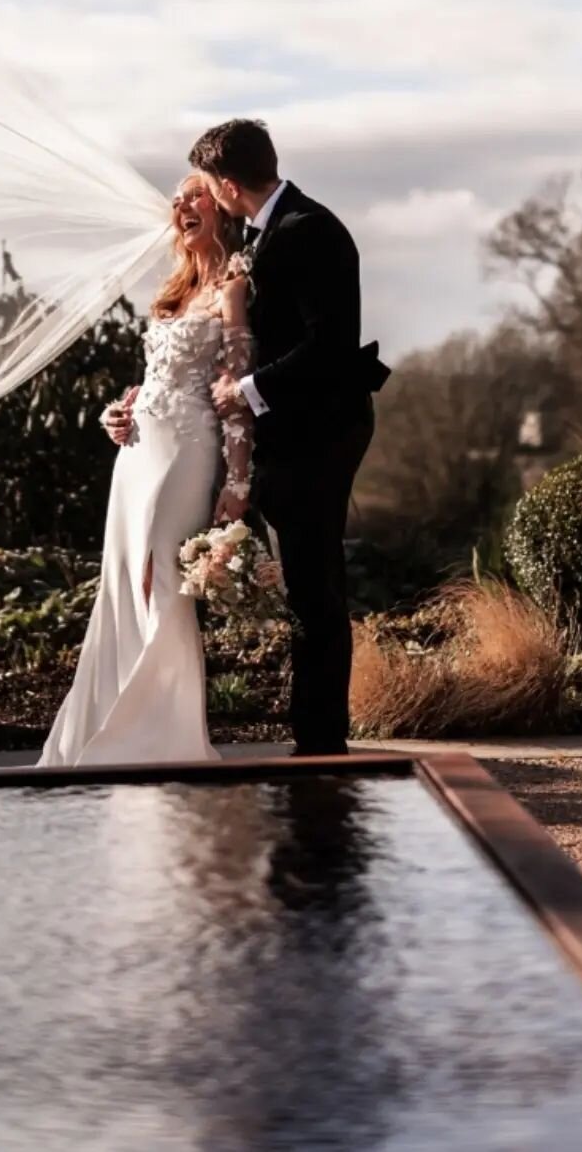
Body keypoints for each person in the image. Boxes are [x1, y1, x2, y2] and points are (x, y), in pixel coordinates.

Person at [37, 176, 253, 767]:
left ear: (219, 206)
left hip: (187, 447)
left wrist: (238, 482)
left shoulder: (233, 289)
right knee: (124, 579)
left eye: (195, 195)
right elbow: (154, 379)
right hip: (136, 451)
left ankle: (161, 732)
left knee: (162, 581)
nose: (182, 205)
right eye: (179, 199)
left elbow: (232, 394)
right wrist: (119, 410)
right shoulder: (174, 290)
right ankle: (109, 721)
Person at [190, 119, 389, 756]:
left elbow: (328, 345)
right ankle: (313, 733)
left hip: (323, 432)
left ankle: (321, 741)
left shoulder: (312, 231)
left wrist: (247, 391)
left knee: (316, 588)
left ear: (226, 184)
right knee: (306, 584)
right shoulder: (260, 233)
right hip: (292, 433)